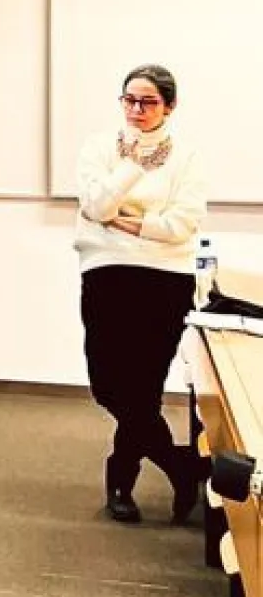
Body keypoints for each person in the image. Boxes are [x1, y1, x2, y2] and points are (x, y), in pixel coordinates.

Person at [76, 63, 207, 525]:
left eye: (148, 102)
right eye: (129, 99)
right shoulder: (98, 147)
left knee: (143, 389)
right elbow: (94, 206)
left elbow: (180, 227)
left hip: (165, 280)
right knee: (109, 386)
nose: (136, 109)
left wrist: (122, 221)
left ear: (169, 107)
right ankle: (180, 465)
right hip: (106, 271)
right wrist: (134, 165)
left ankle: (121, 483)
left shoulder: (187, 156)